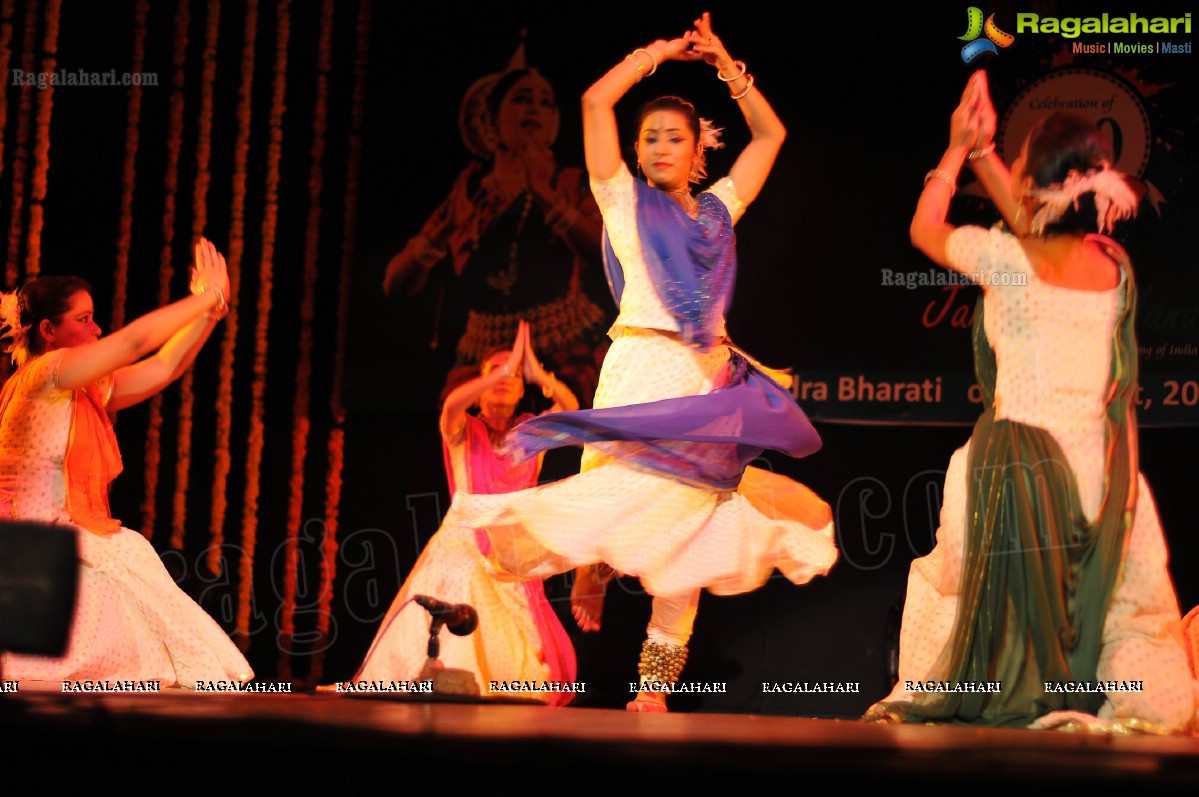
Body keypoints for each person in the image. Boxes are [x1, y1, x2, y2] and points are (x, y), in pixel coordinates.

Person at [452, 13, 837, 712]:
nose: (661, 147)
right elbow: (595, 102)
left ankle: (652, 689)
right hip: (634, 367)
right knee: (613, 497)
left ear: (696, 154)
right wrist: (656, 56)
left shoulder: (716, 213)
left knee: (692, 530)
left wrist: (723, 62)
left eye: (674, 138)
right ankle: (593, 564)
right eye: (649, 137)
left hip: (700, 381)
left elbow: (770, 135)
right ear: (636, 149)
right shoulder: (622, 202)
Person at [865, 71, 1197, 732]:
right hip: (1096, 475)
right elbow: (1034, 220)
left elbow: (924, 228)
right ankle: (1127, 700)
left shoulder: (1003, 258)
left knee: (955, 587)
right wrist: (992, 153)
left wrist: (958, 149)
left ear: (1027, 184)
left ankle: (960, 690)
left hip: (1011, 467)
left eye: (1015, 168)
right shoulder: (1111, 265)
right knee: (1116, 609)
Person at [0, 238, 253, 688]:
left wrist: (209, 314)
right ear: (47, 331)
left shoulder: (79, 386)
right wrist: (202, 298)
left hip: (75, 536)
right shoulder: (47, 373)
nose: (97, 329)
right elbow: (136, 341)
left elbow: (163, 367)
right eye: (84, 319)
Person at [351, 321, 578, 704]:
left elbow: (571, 411)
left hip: (512, 551)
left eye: (514, 376)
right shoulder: (462, 427)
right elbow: (452, 403)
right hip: (462, 542)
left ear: (524, 391)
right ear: (479, 392)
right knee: (465, 577)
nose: (506, 379)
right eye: (495, 374)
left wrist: (540, 374)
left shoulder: (530, 433)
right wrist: (504, 370)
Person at [382, 45, 610, 406]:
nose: (534, 108)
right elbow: (394, 284)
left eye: (545, 102)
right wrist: (437, 236)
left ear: (553, 121)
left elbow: (608, 252)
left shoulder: (566, 183)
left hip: (569, 343)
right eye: (521, 99)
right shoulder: (468, 189)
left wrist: (547, 197)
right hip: (484, 354)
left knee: (577, 434)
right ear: (491, 118)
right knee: (468, 436)